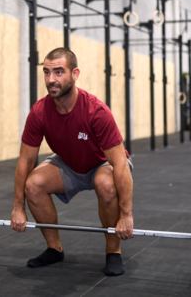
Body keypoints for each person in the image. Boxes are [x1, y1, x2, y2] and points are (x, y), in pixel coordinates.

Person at [10, 47, 134, 276]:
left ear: (75, 74)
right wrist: (18, 207)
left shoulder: (96, 111)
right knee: (33, 184)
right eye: (46, 72)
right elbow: (25, 161)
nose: (51, 79)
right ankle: (54, 248)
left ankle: (113, 251)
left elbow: (120, 164)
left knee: (106, 184)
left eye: (59, 72)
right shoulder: (39, 112)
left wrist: (126, 215)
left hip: (101, 164)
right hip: (68, 164)